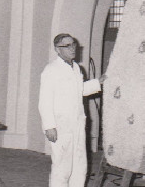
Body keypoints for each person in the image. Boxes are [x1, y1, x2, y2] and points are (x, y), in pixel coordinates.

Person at [38, 33, 106, 187]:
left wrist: (98, 82)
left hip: (77, 124)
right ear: (57, 49)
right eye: (67, 45)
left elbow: (79, 90)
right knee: (62, 166)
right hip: (61, 125)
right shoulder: (51, 70)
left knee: (79, 164)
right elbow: (44, 101)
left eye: (73, 44)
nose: (72, 48)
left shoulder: (76, 68)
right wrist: (49, 126)